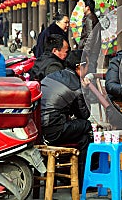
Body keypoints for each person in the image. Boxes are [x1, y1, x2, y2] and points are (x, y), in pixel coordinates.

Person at [40, 50, 92, 188]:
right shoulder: (76, 86)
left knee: (83, 138)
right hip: (54, 131)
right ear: (79, 67)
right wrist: (85, 89)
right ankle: (82, 182)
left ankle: (73, 177)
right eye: (87, 67)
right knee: (87, 126)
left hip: (41, 130)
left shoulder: (52, 76)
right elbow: (84, 114)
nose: (88, 70)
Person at [79, 0, 101, 74]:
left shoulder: (90, 18)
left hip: (90, 50)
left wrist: (86, 51)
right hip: (93, 49)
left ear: (87, 8)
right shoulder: (92, 17)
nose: (82, 8)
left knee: (88, 71)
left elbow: (90, 36)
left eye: (83, 6)